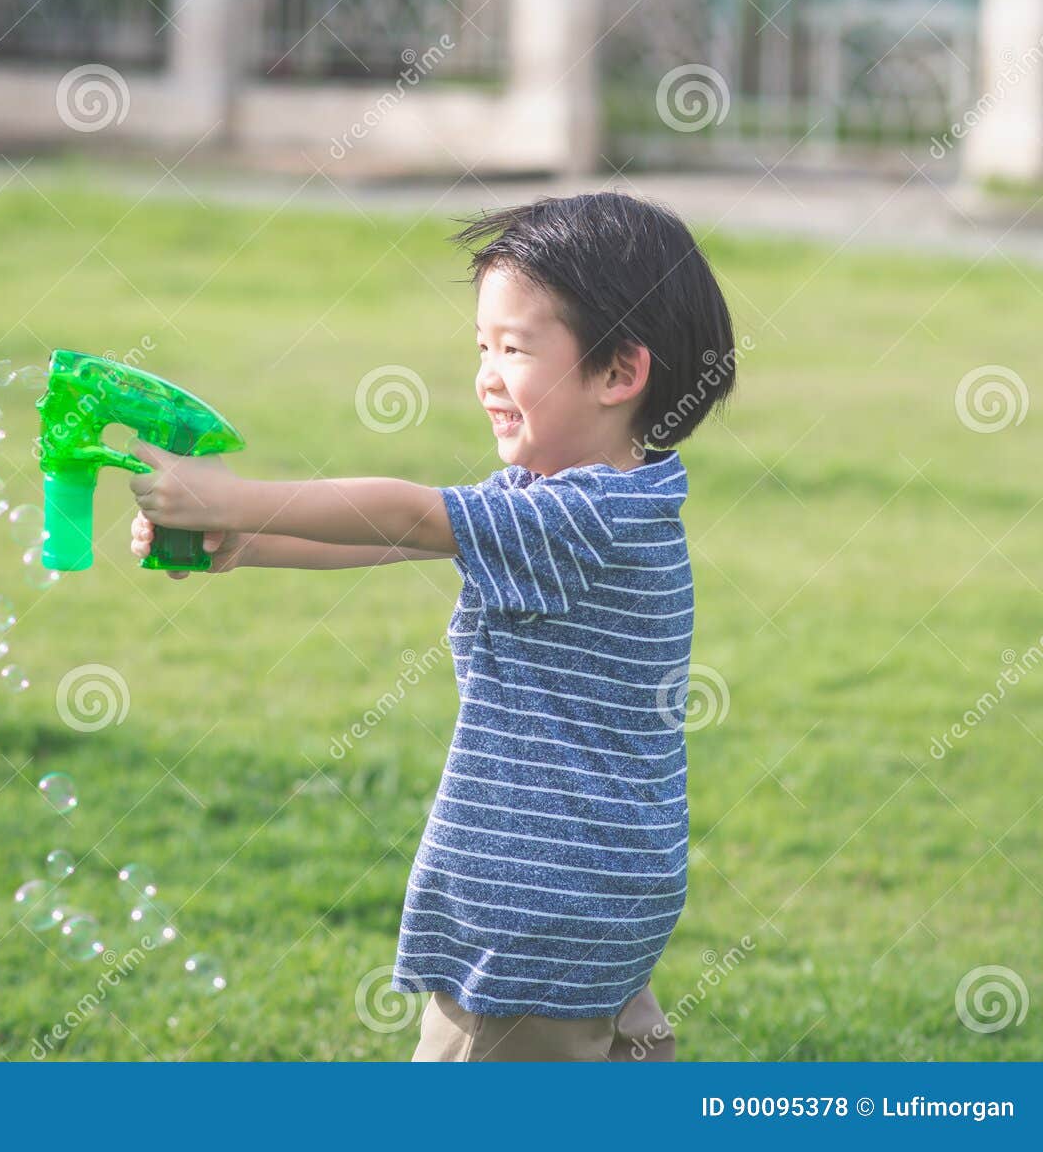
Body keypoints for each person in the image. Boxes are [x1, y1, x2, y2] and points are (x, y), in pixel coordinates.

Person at [128, 192, 736, 1061]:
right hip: (605, 893)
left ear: (618, 374)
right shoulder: (599, 501)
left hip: (530, 906)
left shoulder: (582, 519)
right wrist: (240, 545)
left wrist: (230, 496)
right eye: (481, 346)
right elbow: (393, 542)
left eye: (515, 349)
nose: (486, 374)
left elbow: (414, 518)